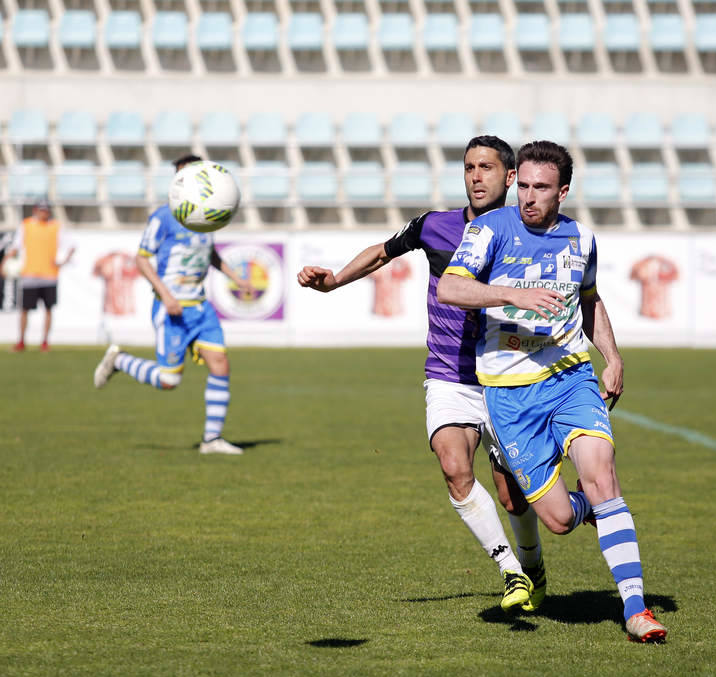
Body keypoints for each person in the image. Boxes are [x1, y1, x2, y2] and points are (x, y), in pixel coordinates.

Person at [297, 136, 546, 613]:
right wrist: (333, 283)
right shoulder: (436, 226)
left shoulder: (527, 233)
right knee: (455, 468)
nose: (476, 176)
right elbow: (384, 251)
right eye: (469, 167)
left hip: (507, 377)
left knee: (514, 497)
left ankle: (533, 564)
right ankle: (511, 572)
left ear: (510, 177)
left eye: (487, 168)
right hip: (449, 373)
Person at [437, 140, 668, 643]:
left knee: (602, 472)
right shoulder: (490, 230)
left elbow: (589, 299)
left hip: (569, 379)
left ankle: (635, 610)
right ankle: (594, 510)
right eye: (522, 186)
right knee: (560, 519)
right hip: (509, 397)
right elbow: (450, 289)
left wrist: (613, 356)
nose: (527, 197)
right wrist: (511, 293)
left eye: (540, 188)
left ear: (562, 191)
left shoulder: (581, 238)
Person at [93, 154, 251, 455]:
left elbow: (211, 255)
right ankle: (119, 359)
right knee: (169, 381)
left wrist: (235, 277)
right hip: (172, 309)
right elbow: (141, 259)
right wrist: (166, 295)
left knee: (221, 365)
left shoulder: (208, 213)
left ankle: (211, 440)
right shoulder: (163, 217)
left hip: (200, 307)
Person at [2, 200, 75, 352]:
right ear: (35, 210)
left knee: (48, 309)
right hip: (30, 274)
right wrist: (4, 262)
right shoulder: (26, 225)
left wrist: (63, 261)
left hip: (49, 275)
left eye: (46, 210)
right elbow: (16, 246)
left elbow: (71, 246)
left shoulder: (56, 227)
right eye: (41, 210)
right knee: (25, 309)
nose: (44, 213)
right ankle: (21, 341)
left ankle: (45, 342)